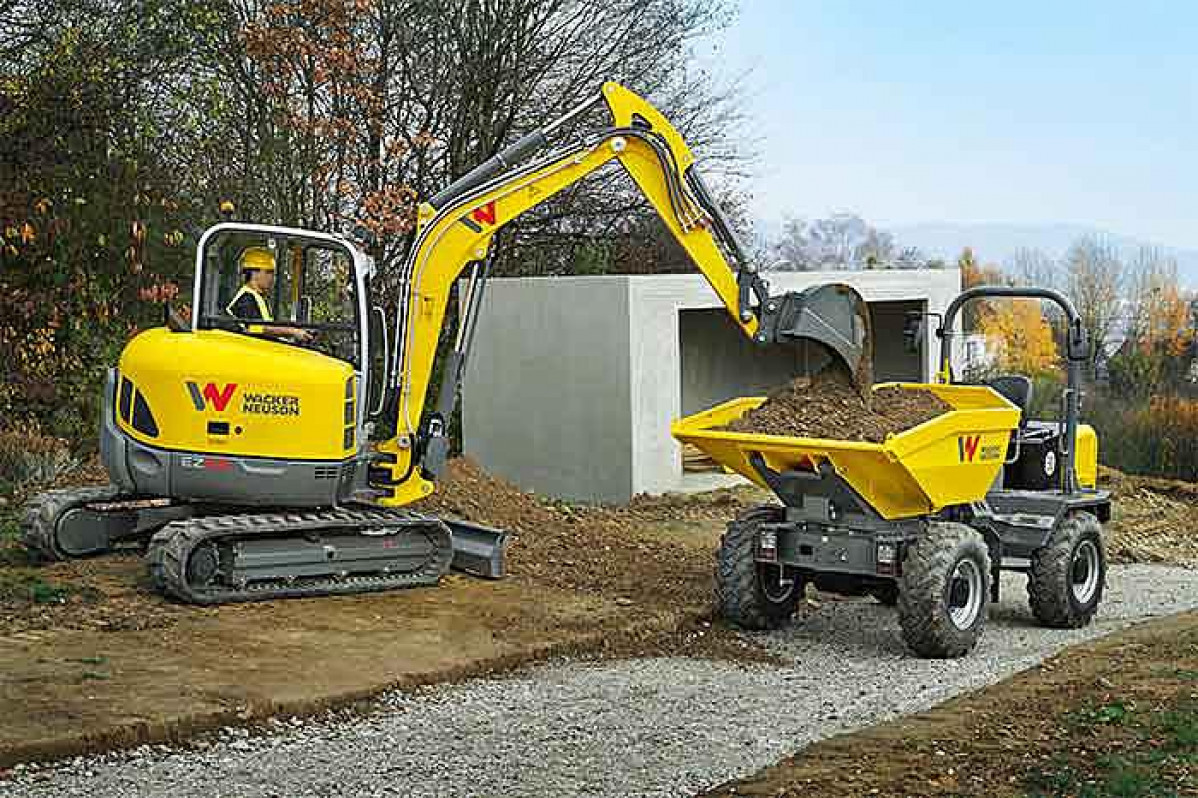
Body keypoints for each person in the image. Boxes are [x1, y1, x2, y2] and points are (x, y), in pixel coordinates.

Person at [226, 246, 313, 342]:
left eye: (272, 273)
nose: (271, 277)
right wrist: (292, 332)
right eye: (268, 272)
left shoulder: (259, 297)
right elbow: (260, 329)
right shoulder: (246, 298)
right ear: (254, 273)